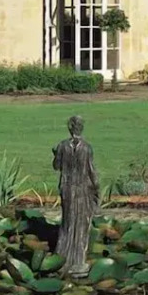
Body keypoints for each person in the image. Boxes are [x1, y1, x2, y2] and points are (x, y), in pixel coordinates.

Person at [52, 115, 100, 275]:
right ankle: (78, 260)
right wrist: (96, 188)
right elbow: (91, 170)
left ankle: (63, 257)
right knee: (80, 223)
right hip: (81, 190)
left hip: (67, 189)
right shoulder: (87, 148)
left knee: (68, 222)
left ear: (69, 128)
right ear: (81, 128)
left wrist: (55, 154)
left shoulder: (62, 146)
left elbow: (56, 166)